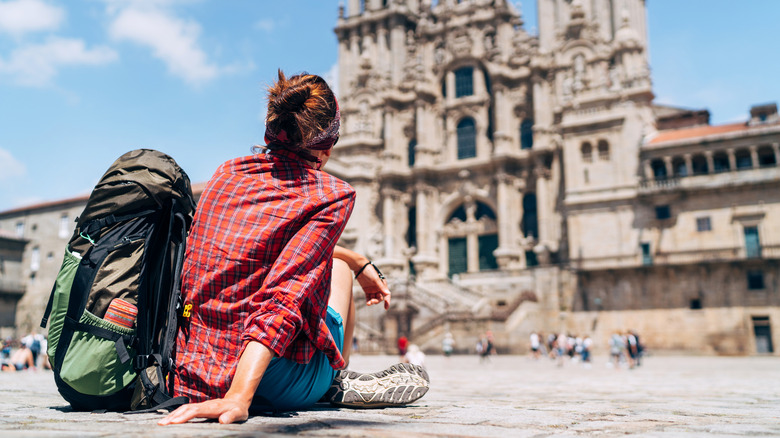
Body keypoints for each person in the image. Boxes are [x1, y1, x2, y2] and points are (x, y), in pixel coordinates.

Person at [160, 71, 429, 426]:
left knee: (341, 263)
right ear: (327, 145)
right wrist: (239, 397)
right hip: (265, 382)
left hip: (191, 368)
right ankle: (332, 378)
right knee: (339, 271)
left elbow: (253, 256)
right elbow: (282, 298)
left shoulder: (226, 173)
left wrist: (355, 255)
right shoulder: (331, 195)